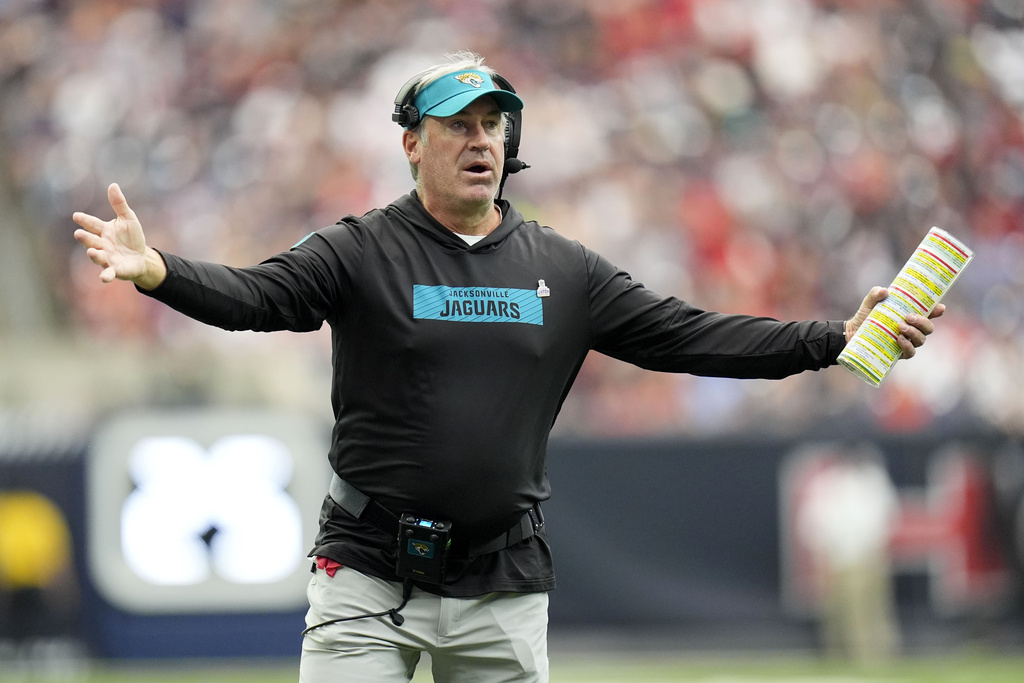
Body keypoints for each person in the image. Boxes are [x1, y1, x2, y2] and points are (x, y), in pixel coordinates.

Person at [72, 51, 944, 683]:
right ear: (412, 143)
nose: (480, 139)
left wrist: (832, 336)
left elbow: (693, 334)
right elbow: (257, 296)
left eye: (492, 124)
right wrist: (159, 271)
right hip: (367, 578)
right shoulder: (360, 249)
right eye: (457, 125)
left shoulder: (564, 269)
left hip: (502, 585)